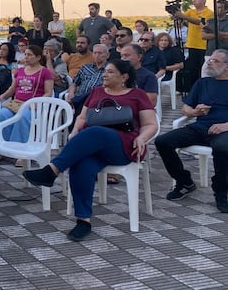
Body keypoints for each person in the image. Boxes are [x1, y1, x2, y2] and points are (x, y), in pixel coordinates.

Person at [23, 59, 157, 241]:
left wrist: (142, 137)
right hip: (93, 144)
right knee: (81, 165)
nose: (104, 74)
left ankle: (52, 170)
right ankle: (83, 221)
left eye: (110, 72)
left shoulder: (137, 95)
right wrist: (75, 131)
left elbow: (151, 124)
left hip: (125, 144)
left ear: (124, 76)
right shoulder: (97, 92)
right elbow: (82, 117)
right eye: (105, 72)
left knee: (95, 131)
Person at [155, 50, 228, 213]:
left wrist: (225, 126)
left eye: (215, 61)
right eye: (209, 60)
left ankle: (221, 192)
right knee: (163, 141)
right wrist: (194, 113)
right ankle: (184, 182)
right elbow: (186, 108)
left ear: (227, 67)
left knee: (222, 148)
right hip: (200, 128)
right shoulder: (203, 83)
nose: (209, 63)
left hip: (224, 130)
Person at [0, 45, 54, 145]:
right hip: (16, 104)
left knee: (22, 117)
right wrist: (2, 97)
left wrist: (36, 103)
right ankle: (4, 144)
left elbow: (48, 92)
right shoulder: (19, 71)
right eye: (25, 54)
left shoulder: (45, 72)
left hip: (33, 106)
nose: (26, 57)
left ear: (38, 57)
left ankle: (17, 147)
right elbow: (12, 89)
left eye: (30, 55)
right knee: (2, 114)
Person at [174, 0, 214, 90]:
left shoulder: (209, 12)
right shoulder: (191, 11)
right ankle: (192, 89)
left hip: (203, 45)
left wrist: (183, 16)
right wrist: (177, 13)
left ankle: (203, 89)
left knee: (202, 69)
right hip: (192, 45)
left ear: (204, 1)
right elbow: (181, 18)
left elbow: (199, 22)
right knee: (192, 69)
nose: (194, 1)